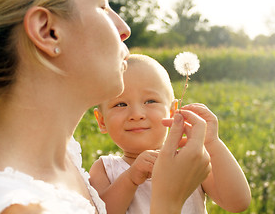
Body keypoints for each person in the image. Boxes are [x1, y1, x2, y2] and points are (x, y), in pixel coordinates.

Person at [0, 0, 211, 213]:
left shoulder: (63, 157)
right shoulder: (18, 206)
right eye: (102, 6)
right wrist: (169, 200)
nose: (124, 29)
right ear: (48, 31)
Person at [89, 54, 251, 214]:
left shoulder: (189, 162)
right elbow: (99, 211)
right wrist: (130, 178)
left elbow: (238, 202)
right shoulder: (105, 169)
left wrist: (212, 143)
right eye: (121, 104)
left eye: (150, 101)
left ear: (172, 111)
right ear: (102, 121)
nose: (137, 114)